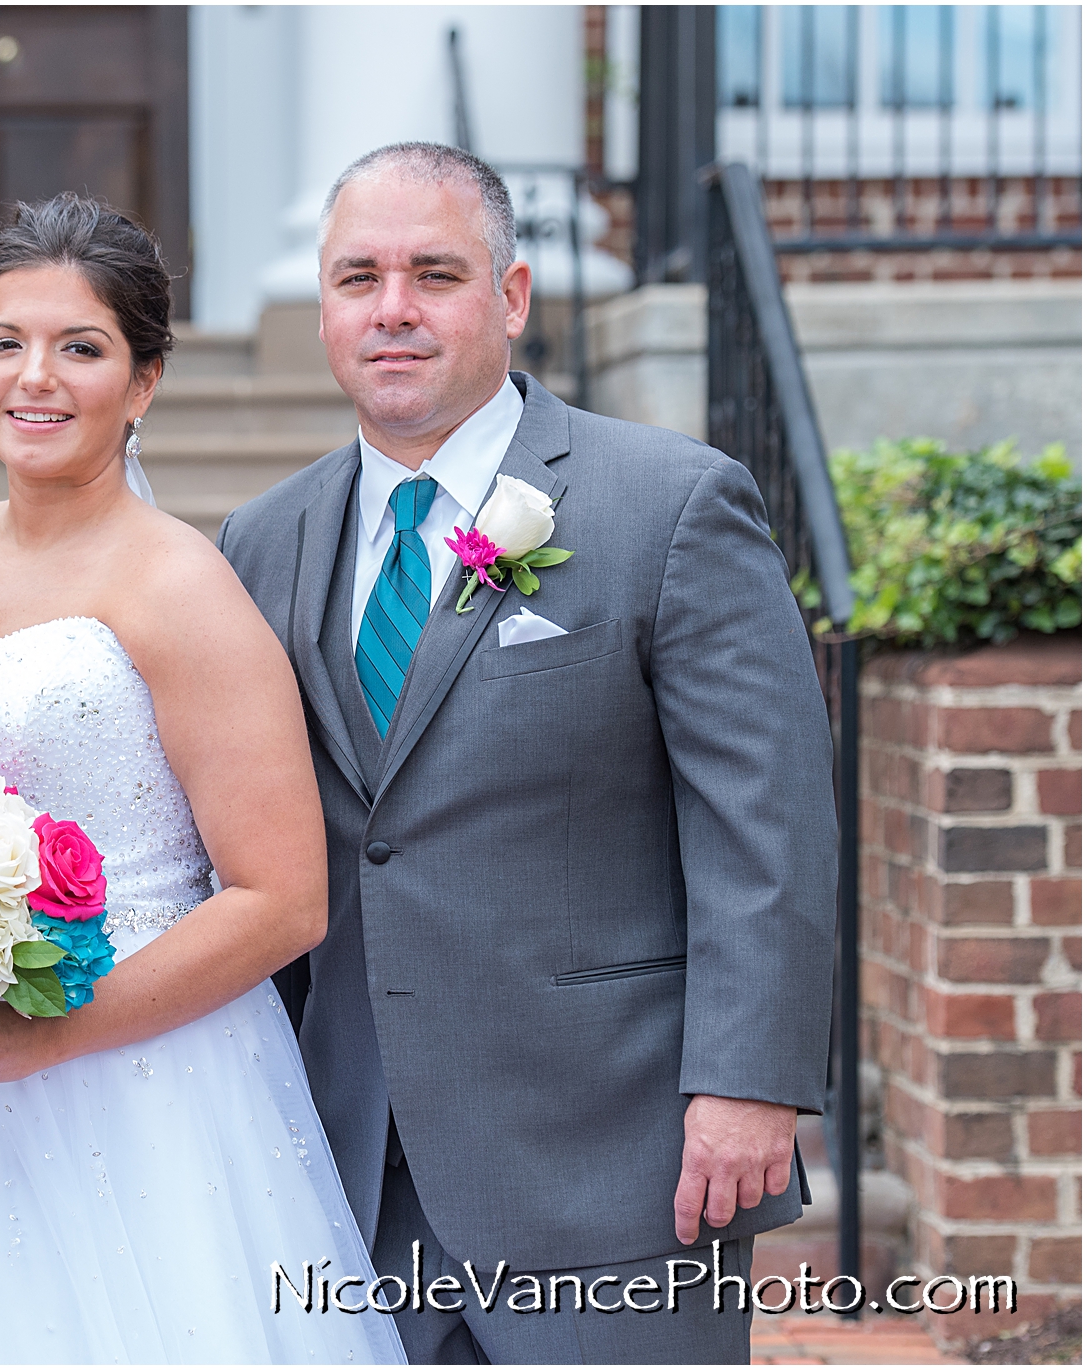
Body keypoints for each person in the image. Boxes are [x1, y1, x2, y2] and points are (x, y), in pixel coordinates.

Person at [0, 195, 406, 1364]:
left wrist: (49, 1035)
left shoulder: (181, 586)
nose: (33, 378)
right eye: (3, 342)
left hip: (136, 1082)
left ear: (143, 380)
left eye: (81, 347)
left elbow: (281, 897)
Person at [217, 141, 838, 1363]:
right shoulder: (262, 538)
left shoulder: (665, 503)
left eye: (431, 273)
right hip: (350, 1169)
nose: (390, 308)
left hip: (610, 1160)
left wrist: (749, 1079)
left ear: (509, 297)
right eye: (356, 278)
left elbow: (764, 820)